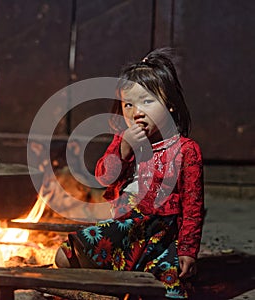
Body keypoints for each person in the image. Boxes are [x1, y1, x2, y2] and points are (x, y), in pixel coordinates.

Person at [55, 48, 204, 299]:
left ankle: (132, 278)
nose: (137, 111)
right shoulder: (123, 141)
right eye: (128, 104)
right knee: (64, 256)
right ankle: (114, 276)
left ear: (169, 104)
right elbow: (104, 177)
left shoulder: (186, 150)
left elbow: (193, 206)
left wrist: (188, 250)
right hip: (125, 226)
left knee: (171, 286)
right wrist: (123, 149)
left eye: (147, 101)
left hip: (161, 237)